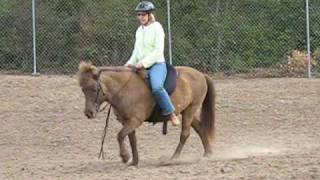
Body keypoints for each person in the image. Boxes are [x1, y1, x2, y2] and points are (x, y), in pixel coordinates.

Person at [124, 1, 180, 126]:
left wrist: (143, 63)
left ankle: (171, 113)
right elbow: (136, 51)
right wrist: (128, 64)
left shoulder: (157, 28)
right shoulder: (139, 30)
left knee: (157, 87)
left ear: (149, 15)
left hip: (156, 65)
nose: (141, 17)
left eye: (143, 15)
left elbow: (158, 51)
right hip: (141, 65)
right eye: (139, 15)